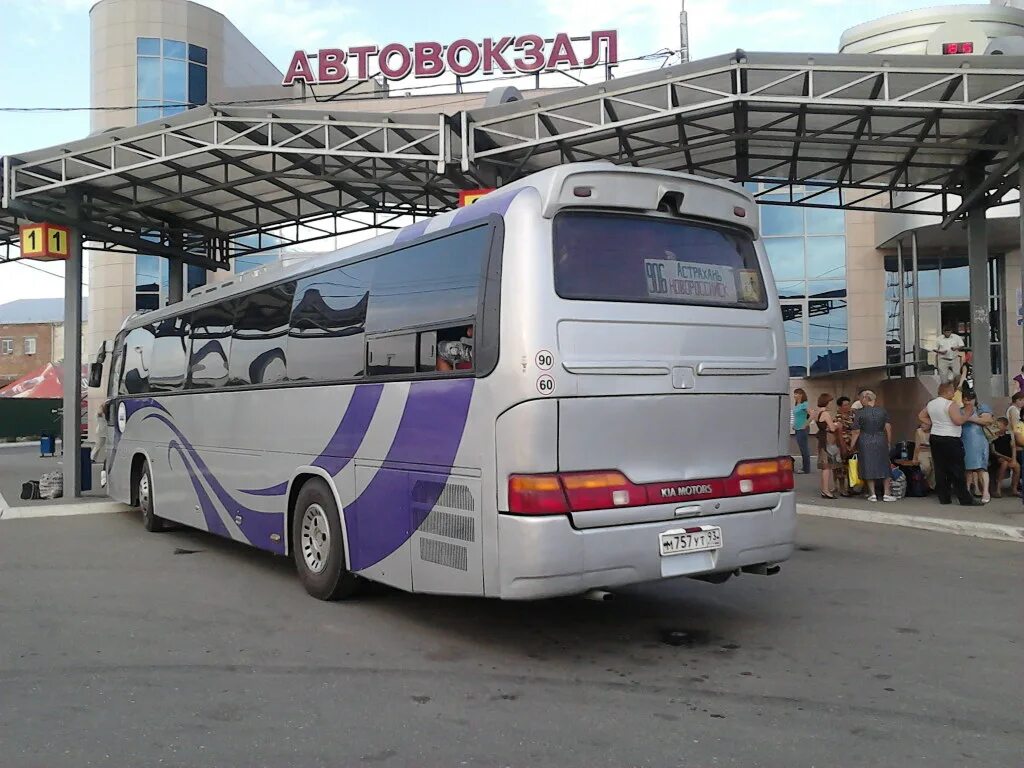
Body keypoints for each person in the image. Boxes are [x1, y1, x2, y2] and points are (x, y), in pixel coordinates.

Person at [919, 381, 977, 506]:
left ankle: (944, 497)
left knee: (940, 468)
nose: (954, 393)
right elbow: (958, 421)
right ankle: (964, 498)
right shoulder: (951, 404)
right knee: (957, 468)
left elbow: (921, 416)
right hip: (950, 438)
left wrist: (932, 423)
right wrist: (968, 412)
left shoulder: (931, 403)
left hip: (936, 437)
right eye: (953, 391)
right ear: (948, 391)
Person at [850, 390, 894, 502]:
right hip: (880, 439)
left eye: (861, 398)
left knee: (868, 465)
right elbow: (888, 427)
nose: (860, 401)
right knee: (884, 465)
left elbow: (856, 431)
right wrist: (888, 442)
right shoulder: (882, 411)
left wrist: (851, 445)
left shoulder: (860, 413)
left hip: (865, 440)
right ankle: (887, 493)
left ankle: (872, 494)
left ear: (866, 398)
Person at [960, 391, 994, 504]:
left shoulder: (981, 408)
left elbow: (988, 420)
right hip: (965, 439)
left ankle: (985, 492)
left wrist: (969, 418)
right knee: (967, 468)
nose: (968, 401)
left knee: (981, 467)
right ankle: (967, 491)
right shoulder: (960, 409)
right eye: (965, 399)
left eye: (970, 399)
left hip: (979, 439)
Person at [815, 393, 841, 499]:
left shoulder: (817, 412)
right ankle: (826, 490)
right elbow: (832, 428)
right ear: (826, 402)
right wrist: (837, 424)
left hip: (821, 439)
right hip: (827, 440)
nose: (831, 403)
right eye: (830, 401)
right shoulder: (825, 413)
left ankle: (823, 489)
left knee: (824, 467)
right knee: (827, 467)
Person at [990, 417, 1019, 499]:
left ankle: (1014, 489)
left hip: (1009, 457)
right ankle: (998, 489)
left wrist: (1013, 459)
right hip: (998, 457)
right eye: (996, 425)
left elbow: (1013, 447)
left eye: (999, 425)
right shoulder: (993, 436)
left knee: (1017, 466)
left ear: (1005, 426)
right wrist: (1006, 458)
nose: (997, 427)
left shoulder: (1009, 435)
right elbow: (993, 451)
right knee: (1004, 464)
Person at [834, 396, 855, 496]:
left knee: (851, 466)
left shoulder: (853, 415)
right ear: (840, 407)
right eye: (845, 405)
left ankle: (851, 487)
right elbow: (838, 433)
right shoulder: (838, 418)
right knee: (841, 467)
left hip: (853, 445)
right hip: (842, 444)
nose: (847, 407)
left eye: (848, 404)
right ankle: (842, 488)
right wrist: (842, 446)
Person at [792, 388, 810, 474]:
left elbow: (812, 414)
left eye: (796, 394)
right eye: (794, 394)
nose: (794, 395)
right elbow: (797, 417)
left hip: (802, 429)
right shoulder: (797, 404)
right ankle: (805, 467)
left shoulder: (804, 404)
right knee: (802, 448)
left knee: (804, 449)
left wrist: (806, 424)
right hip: (797, 428)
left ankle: (806, 468)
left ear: (801, 395)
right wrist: (794, 425)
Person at [912, 420, 934, 490]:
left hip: (932, 452)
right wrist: (914, 458)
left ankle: (930, 485)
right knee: (926, 467)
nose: (922, 425)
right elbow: (917, 446)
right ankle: (924, 481)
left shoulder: (934, 432)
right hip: (922, 452)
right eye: (922, 423)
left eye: (925, 423)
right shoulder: (919, 431)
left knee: (935, 468)